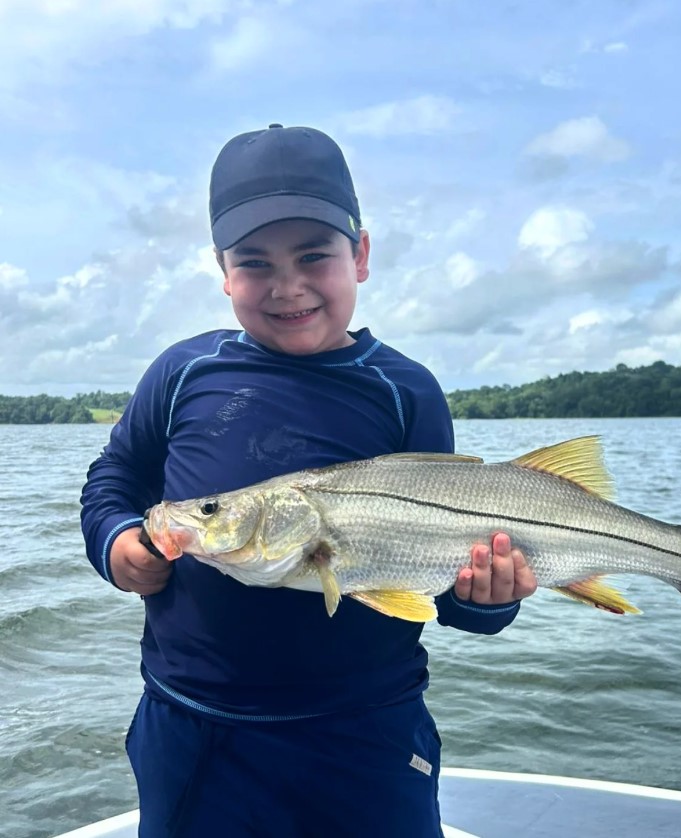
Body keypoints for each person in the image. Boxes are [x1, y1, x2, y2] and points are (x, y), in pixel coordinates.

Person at [80, 123, 538, 838]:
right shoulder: (183, 373)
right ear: (222, 269)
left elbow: (436, 582)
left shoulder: (405, 392)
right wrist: (115, 544)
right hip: (194, 727)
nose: (286, 285)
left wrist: (487, 600)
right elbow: (113, 477)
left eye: (314, 255)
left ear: (359, 254)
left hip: (365, 735)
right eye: (255, 262)